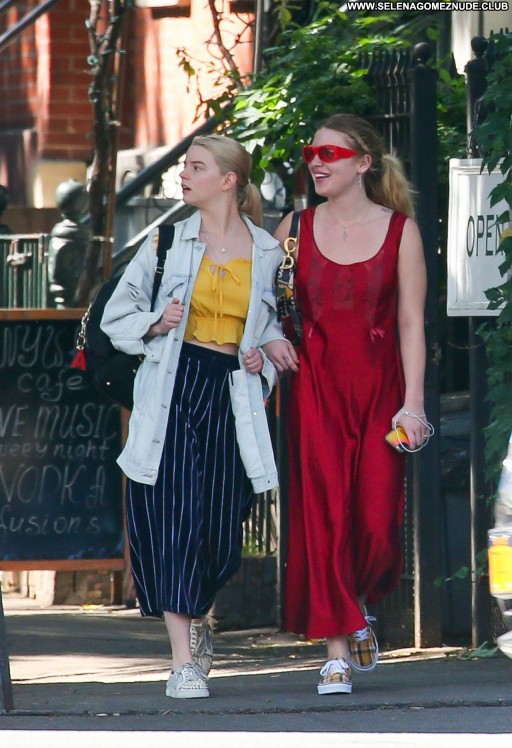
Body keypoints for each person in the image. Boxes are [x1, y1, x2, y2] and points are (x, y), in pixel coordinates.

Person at [101, 135, 284, 699]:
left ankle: (199, 613)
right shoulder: (166, 242)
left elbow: (272, 330)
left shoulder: (268, 252)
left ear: (228, 180)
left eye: (196, 167)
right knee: (174, 516)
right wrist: (157, 321)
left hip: (232, 392)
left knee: (224, 529)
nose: (184, 175)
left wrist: (263, 359)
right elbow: (116, 317)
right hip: (173, 387)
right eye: (184, 166)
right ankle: (182, 661)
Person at [264, 113, 430, 695]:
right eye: (311, 152)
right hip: (315, 390)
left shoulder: (401, 231)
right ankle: (336, 650)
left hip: (381, 392)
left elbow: (411, 323)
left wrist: (414, 404)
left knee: (378, 524)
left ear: (363, 164)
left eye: (330, 154)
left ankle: (358, 605)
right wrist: (271, 337)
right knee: (326, 515)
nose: (316, 162)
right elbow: (262, 304)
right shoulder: (293, 228)